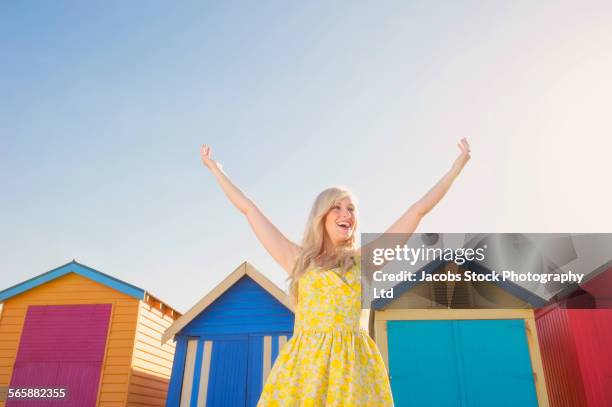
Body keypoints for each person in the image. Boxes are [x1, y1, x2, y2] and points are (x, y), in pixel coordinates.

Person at [200, 138, 471, 406]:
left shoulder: (365, 261)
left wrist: (455, 170)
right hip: (305, 371)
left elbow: (417, 211)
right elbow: (249, 209)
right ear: (321, 216)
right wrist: (217, 171)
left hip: (353, 373)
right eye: (337, 207)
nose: (347, 214)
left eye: (351, 208)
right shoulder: (298, 260)